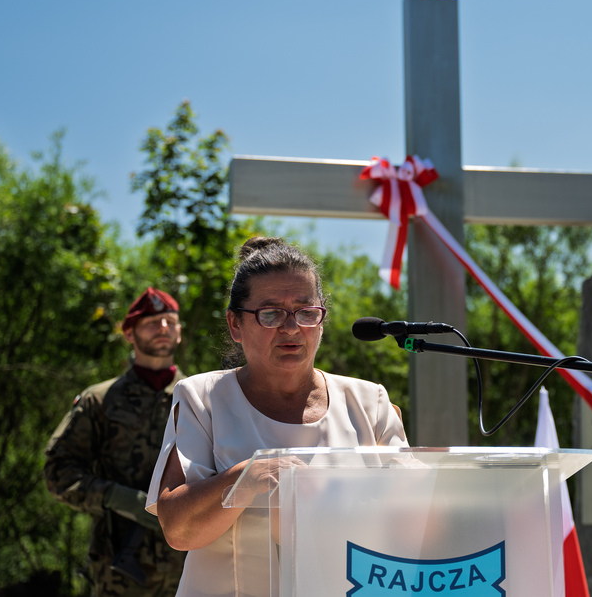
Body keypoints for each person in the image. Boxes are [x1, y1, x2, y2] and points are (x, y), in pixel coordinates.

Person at [146, 236, 408, 597]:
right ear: (235, 325)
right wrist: (246, 478)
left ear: (321, 319)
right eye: (270, 314)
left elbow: (411, 527)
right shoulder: (201, 397)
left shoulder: (370, 402)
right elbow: (179, 530)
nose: (290, 328)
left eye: (305, 312)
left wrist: (435, 480)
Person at [45, 288, 188, 597]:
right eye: (151, 322)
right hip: (119, 568)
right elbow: (58, 472)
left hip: (190, 567)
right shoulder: (100, 400)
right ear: (129, 335)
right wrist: (121, 499)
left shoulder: (201, 399)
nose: (162, 328)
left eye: (169, 321)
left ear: (179, 332)